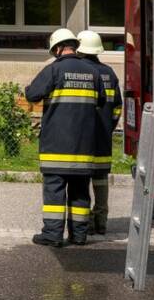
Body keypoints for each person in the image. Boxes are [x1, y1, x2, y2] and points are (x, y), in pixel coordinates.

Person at [24, 28, 107, 247]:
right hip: (84, 146)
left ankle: (53, 235)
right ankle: (79, 235)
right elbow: (102, 101)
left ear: (58, 48)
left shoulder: (54, 70)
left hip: (56, 145)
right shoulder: (93, 72)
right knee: (80, 192)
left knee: (55, 191)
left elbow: (32, 95)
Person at [76, 30, 121, 235]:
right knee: (101, 179)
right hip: (103, 137)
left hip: (82, 137)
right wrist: (108, 127)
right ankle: (101, 220)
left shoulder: (82, 72)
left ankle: (83, 221)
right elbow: (117, 108)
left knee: (82, 179)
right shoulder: (110, 73)